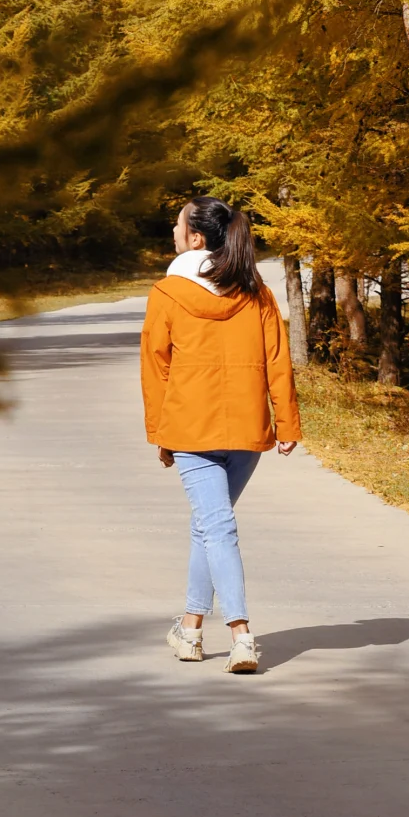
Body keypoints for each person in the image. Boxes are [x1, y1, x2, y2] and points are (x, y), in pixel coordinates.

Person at [140, 196, 302, 674]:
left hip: (192, 428)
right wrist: (286, 422)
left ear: (194, 238)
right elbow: (278, 359)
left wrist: (160, 433)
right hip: (247, 427)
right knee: (211, 526)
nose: (171, 230)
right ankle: (189, 630)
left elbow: (155, 367)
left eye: (176, 224)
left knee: (216, 528)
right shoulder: (257, 292)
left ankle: (241, 635)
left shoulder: (168, 293)